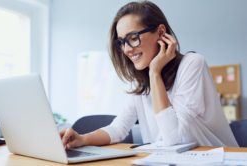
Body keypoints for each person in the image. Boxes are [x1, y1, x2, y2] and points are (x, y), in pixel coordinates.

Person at [60, 1, 238, 148]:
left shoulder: (192, 64)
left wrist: (155, 72)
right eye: (122, 42)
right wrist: (82, 139)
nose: (127, 49)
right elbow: (119, 128)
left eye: (133, 37)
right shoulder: (141, 82)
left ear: (161, 33)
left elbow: (173, 138)